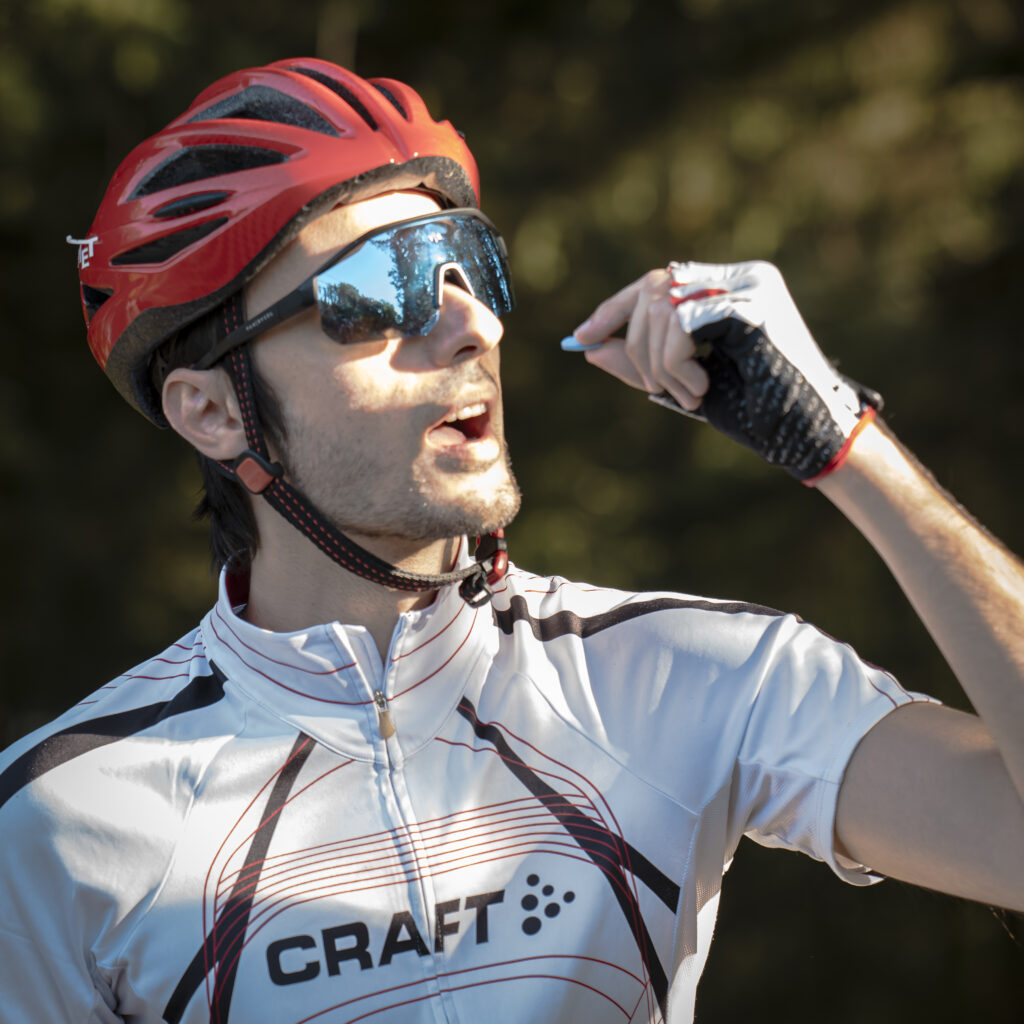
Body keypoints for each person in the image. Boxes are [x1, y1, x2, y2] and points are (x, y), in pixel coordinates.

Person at [1, 57, 1021, 1024]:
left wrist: (847, 447)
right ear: (213, 413)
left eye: (468, 267)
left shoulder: (682, 678)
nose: (472, 327)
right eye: (379, 289)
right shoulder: (58, 821)